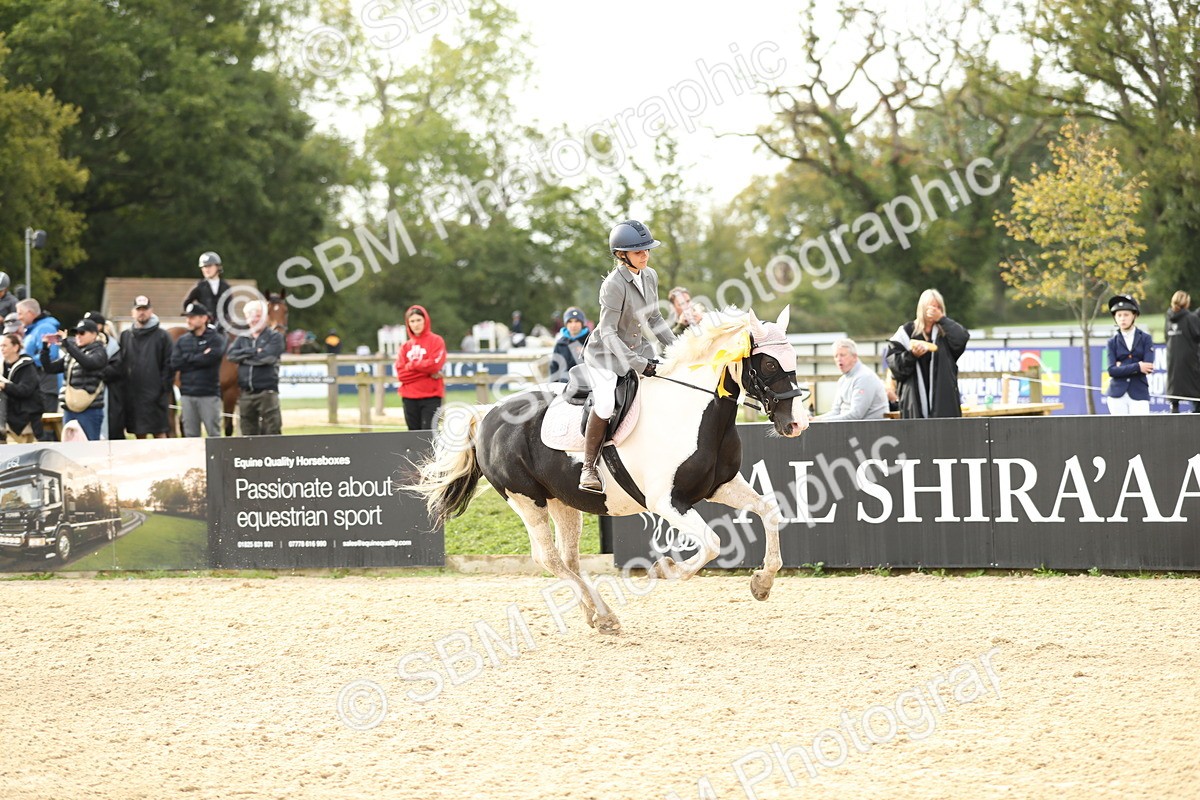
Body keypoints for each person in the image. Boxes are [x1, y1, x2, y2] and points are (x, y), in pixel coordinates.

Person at [579, 219, 676, 493]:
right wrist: (638, 364)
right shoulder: (613, 284)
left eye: (647, 250)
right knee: (607, 402)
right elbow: (608, 333)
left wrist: (680, 348)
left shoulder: (650, 275)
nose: (645, 255)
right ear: (622, 255)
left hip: (637, 348)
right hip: (605, 355)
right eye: (638, 252)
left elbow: (655, 318)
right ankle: (589, 467)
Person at [886, 289, 970, 419]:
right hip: (914, 403)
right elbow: (895, 367)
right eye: (931, 307)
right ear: (922, 308)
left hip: (944, 402)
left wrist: (942, 319)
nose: (934, 310)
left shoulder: (945, 333)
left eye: (938, 307)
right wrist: (912, 355)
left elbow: (962, 338)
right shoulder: (906, 333)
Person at [40, 318, 109, 440]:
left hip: (90, 409)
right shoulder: (72, 353)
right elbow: (49, 368)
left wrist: (68, 345)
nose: (78, 336)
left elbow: (88, 363)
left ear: (94, 334)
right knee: (69, 448)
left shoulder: (100, 351)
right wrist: (45, 348)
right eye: (76, 333)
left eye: (82, 333)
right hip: (69, 408)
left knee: (89, 448)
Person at [118, 295, 173, 439]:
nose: (142, 312)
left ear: (151, 311)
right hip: (133, 394)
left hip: (156, 394)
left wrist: (164, 388)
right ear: (133, 312)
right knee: (138, 432)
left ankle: (163, 461)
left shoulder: (162, 336)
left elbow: (169, 364)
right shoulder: (125, 336)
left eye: (145, 309)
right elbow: (120, 363)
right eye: (138, 309)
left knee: (159, 432)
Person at [226, 299, 284, 435]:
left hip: (267, 393)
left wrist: (243, 359)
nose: (254, 319)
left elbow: (268, 358)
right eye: (250, 316)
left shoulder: (275, 337)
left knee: (272, 431)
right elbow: (231, 356)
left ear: (265, 317)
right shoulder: (242, 338)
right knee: (247, 434)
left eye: (258, 315)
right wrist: (253, 352)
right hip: (246, 394)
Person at [170, 302, 226, 437]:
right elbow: (175, 363)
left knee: (214, 434)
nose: (188, 320)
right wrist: (200, 357)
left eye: (192, 317)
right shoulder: (182, 340)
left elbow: (212, 358)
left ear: (204, 318)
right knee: (190, 435)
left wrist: (188, 359)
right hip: (187, 394)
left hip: (209, 394)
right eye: (187, 317)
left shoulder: (216, 339)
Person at [394, 305, 446, 431]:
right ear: (408, 324)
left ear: (425, 320)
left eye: (418, 320)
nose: (416, 324)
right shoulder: (405, 347)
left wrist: (411, 365)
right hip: (409, 398)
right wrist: (426, 372)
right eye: (412, 321)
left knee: (428, 435)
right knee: (413, 435)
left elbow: (435, 365)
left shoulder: (437, 341)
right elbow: (401, 374)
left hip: (431, 397)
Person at [815, 339, 888, 421]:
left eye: (842, 355)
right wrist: (815, 419)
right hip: (850, 428)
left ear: (854, 357)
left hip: (872, 429)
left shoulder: (864, 377)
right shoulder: (842, 380)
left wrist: (821, 421)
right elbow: (835, 411)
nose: (838, 359)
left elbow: (856, 415)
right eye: (836, 356)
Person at [1105, 294, 1154, 415]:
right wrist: (1137, 366)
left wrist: (1122, 367)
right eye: (1119, 315)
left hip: (1139, 392)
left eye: (1126, 315)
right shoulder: (1112, 342)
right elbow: (1112, 371)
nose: (1122, 319)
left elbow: (1147, 367)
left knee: (1140, 430)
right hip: (1117, 394)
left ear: (1134, 315)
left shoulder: (1146, 338)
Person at [17, 297, 62, 417]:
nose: (18, 317)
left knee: (46, 429)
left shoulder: (47, 328)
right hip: (37, 386)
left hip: (46, 386)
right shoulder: (32, 330)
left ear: (30, 313)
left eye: (20, 313)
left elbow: (52, 354)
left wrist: (25, 362)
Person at [83, 311, 124, 440]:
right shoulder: (82, 344)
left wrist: (95, 371)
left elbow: (116, 369)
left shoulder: (112, 346)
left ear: (99, 326)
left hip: (108, 393)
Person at [0, 332, 43, 443]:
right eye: (0, 346)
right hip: (8, 416)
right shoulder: (2, 366)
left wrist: (4, 385)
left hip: (25, 416)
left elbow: (25, 390)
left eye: (5, 345)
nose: (2, 349)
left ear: (16, 347)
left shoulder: (27, 367)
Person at [1165, 290, 1200, 413]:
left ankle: (1173, 425)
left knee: (1174, 399)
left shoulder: (1168, 318)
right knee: (1197, 398)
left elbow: (1166, 337)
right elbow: (1197, 335)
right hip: (1190, 363)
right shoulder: (1191, 318)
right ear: (1186, 303)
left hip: (1173, 363)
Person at [182, 251, 232, 332]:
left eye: (209, 266)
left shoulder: (225, 286)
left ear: (217, 267)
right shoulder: (199, 286)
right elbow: (186, 303)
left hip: (221, 326)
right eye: (204, 267)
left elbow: (229, 308)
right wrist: (195, 317)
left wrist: (225, 322)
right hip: (204, 326)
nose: (206, 269)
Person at [550, 307, 591, 383]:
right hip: (563, 385)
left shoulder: (591, 340)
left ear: (582, 323)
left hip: (586, 386)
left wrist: (586, 353)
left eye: (577, 321)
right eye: (570, 322)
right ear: (566, 324)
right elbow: (554, 368)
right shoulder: (560, 344)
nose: (573, 325)